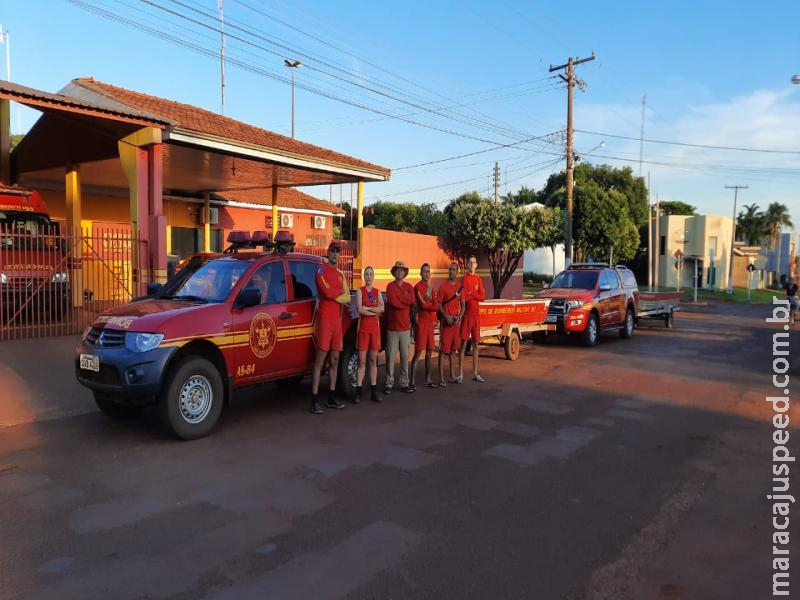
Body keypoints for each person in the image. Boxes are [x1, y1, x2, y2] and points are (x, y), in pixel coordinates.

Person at [311, 242, 351, 414]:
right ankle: (314, 399)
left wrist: (336, 293)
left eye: (337, 252)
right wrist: (338, 294)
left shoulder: (341, 275)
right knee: (320, 360)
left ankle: (331, 397)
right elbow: (327, 293)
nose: (335, 255)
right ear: (328, 253)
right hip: (325, 320)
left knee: (335, 359)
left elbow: (348, 297)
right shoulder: (321, 270)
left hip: (337, 321)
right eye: (332, 251)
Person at [384, 260, 415, 395]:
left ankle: (404, 382)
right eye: (397, 270)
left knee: (404, 356)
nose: (400, 272)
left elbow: (412, 300)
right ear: (394, 272)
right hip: (392, 328)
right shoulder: (390, 286)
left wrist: (400, 300)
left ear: (404, 273)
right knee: (390, 357)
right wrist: (404, 301)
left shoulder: (409, 287)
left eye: (402, 270)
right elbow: (392, 301)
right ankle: (389, 382)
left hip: (405, 328)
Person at [355, 266, 384, 403]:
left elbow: (382, 309)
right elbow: (360, 309)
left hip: (374, 330)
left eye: (371, 274)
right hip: (364, 330)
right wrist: (374, 310)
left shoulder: (377, 292)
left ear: (373, 276)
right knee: (361, 362)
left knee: (373, 361)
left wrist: (369, 309)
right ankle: (358, 393)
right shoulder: (360, 292)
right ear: (364, 276)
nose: (368, 276)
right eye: (366, 274)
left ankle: (373, 392)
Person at [410, 263, 440, 390]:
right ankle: (412, 382)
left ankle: (428, 379)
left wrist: (429, 304)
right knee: (418, 352)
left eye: (428, 271)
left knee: (429, 352)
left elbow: (436, 306)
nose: (426, 273)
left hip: (429, 324)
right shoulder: (417, 287)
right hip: (421, 323)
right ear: (420, 273)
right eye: (424, 271)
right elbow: (422, 305)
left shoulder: (431, 288)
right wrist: (430, 304)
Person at [459, 255, 486, 383]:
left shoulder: (479, 279)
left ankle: (475, 373)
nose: (471, 264)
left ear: (476, 265)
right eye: (469, 262)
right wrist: (472, 295)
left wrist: (472, 294)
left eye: (473, 262)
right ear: (467, 265)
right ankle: (460, 374)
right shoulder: (464, 279)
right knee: (463, 344)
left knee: (476, 344)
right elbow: (464, 297)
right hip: (466, 316)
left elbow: (482, 297)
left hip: (476, 317)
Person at [438, 262, 465, 386]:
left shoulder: (460, 287)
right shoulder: (443, 287)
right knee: (443, 351)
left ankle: (452, 375)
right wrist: (446, 317)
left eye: (454, 269)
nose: (452, 271)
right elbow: (438, 305)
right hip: (446, 322)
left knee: (454, 350)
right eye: (450, 269)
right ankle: (441, 378)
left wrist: (459, 317)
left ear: (457, 271)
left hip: (455, 323)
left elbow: (463, 305)